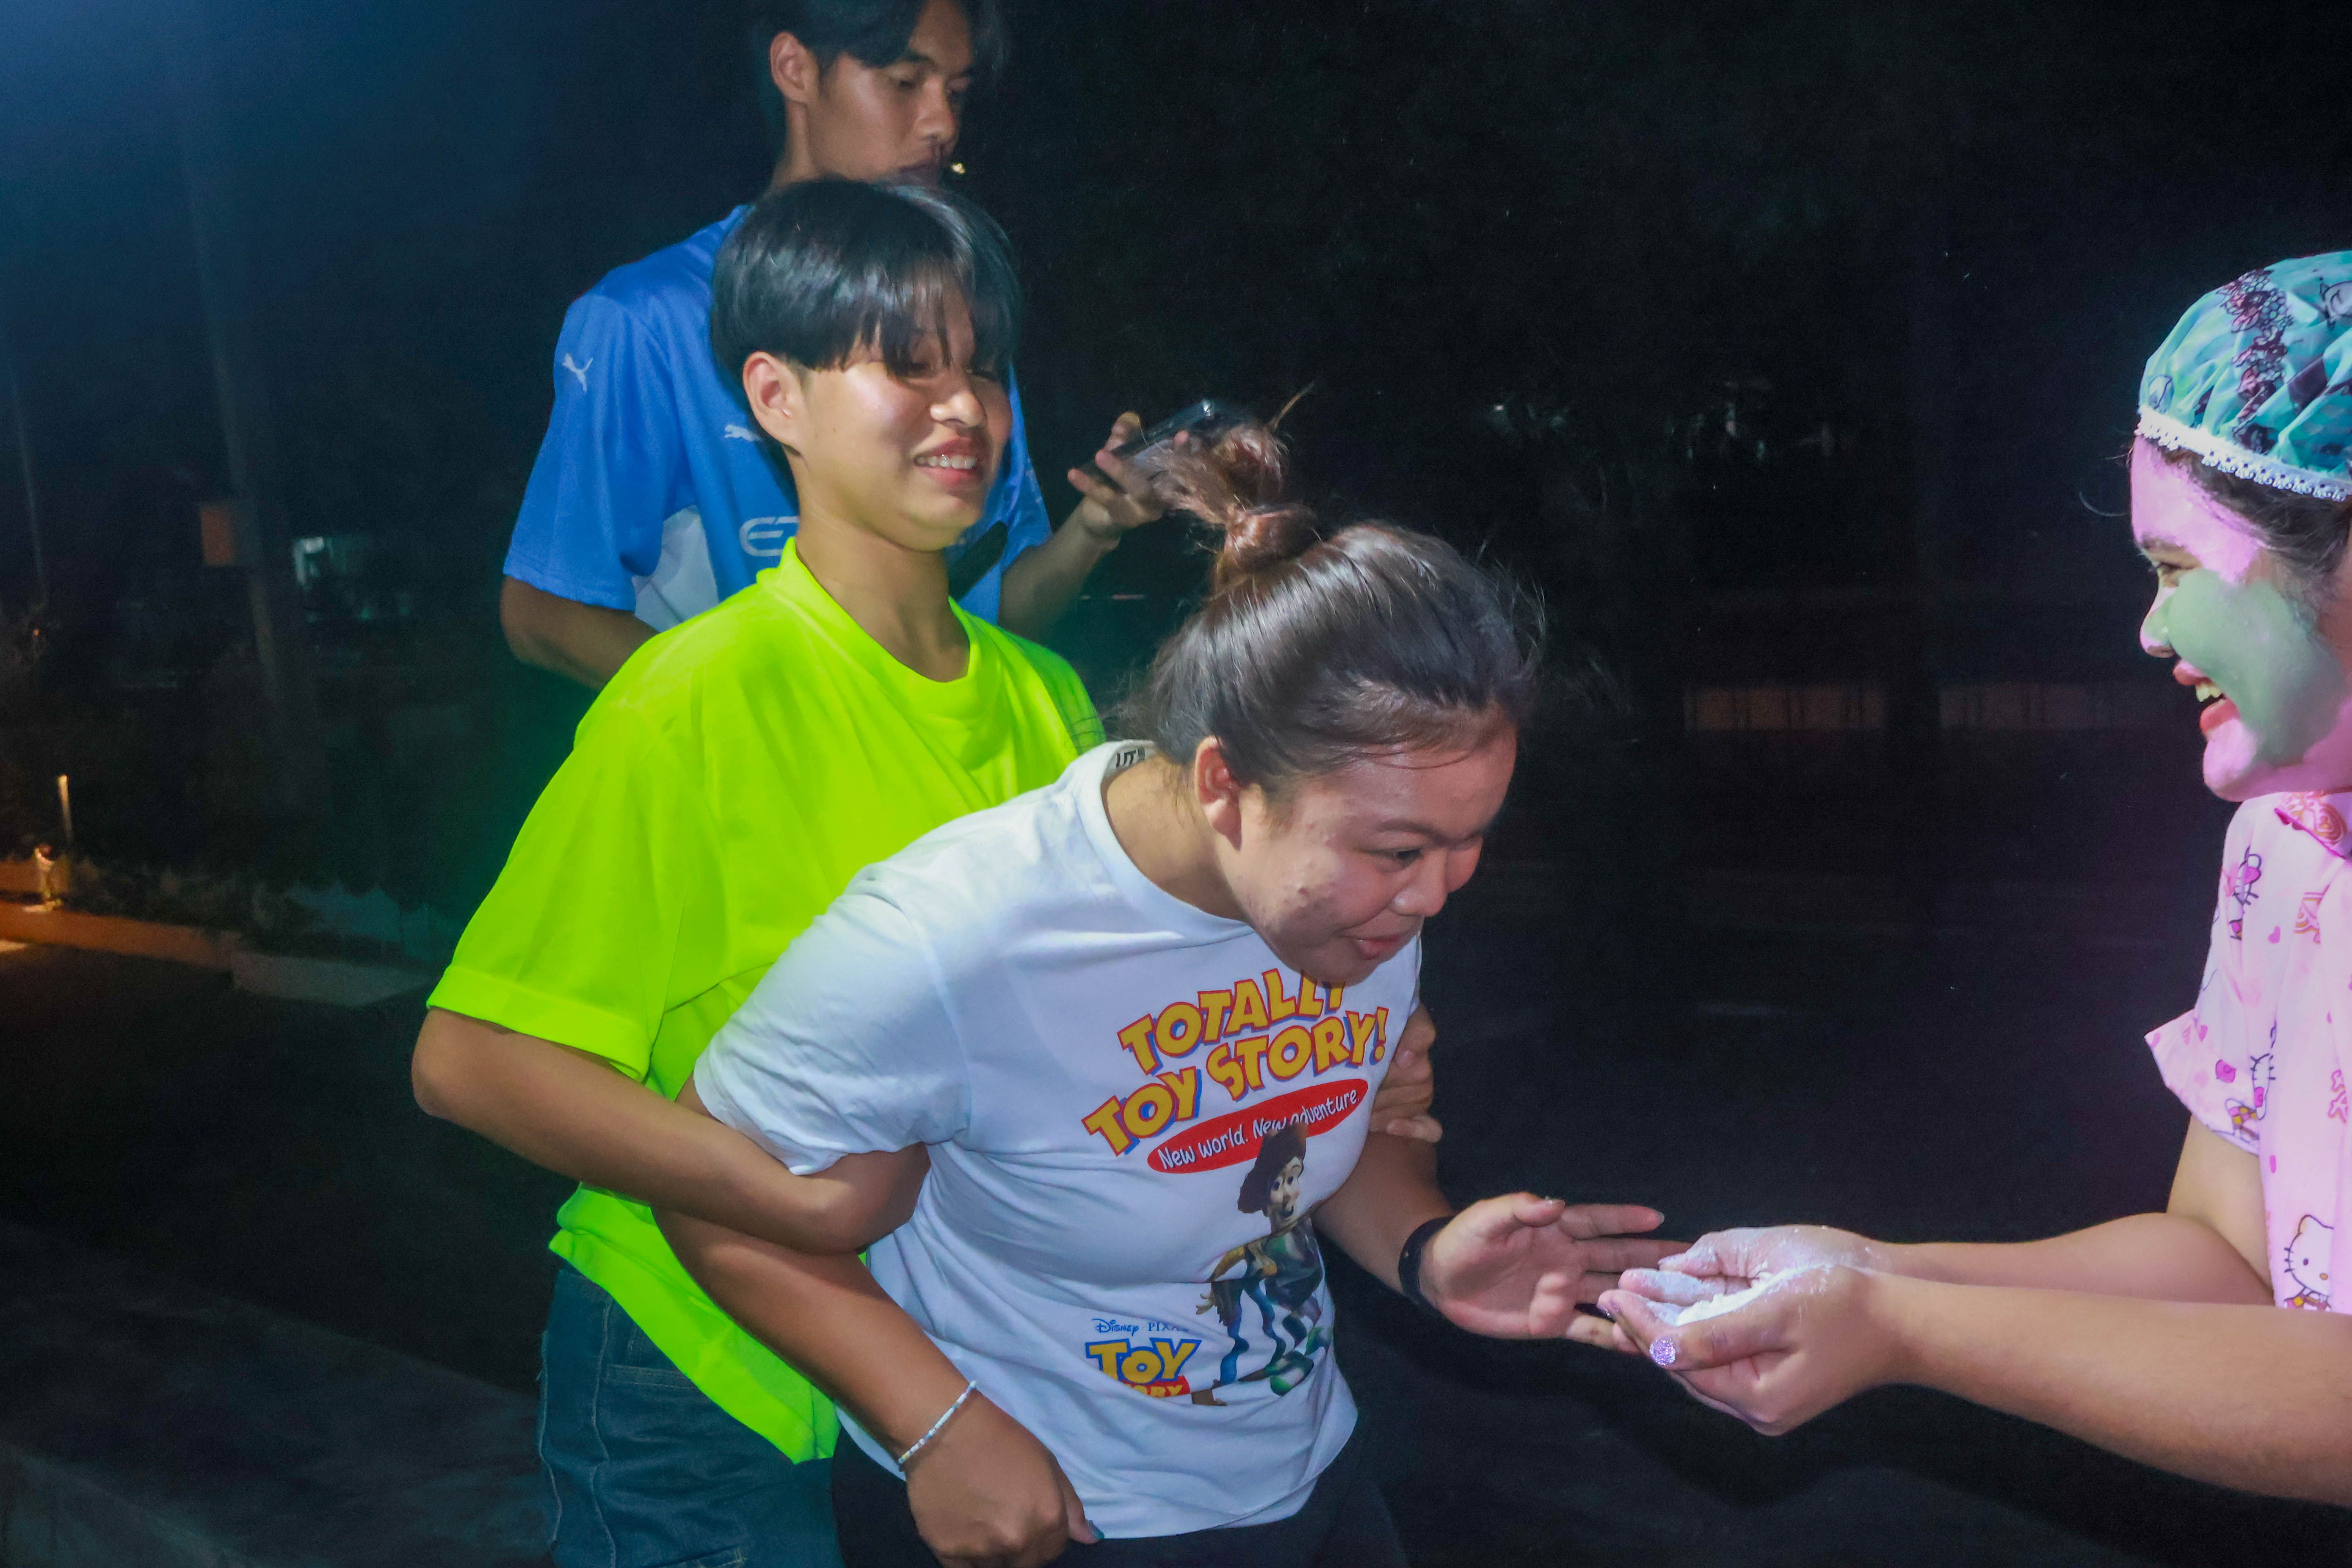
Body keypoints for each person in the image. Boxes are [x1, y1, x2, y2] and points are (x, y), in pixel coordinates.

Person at [415, 179, 1437, 1568]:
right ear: (775, 397)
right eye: (907, 365)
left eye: (983, 368)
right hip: (699, 1371)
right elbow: (473, 1060)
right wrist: (794, 1199)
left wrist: (1337, 1065)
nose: (964, 409)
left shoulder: (1040, 697)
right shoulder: (699, 699)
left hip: (934, 1365)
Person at [659, 422, 1678, 1566]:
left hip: (1312, 1473)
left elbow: (1318, 1124)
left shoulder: (1356, 899)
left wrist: (1424, 1250)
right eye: (1401, 850)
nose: (1438, 894)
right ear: (1224, 784)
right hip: (1070, 1520)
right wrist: (933, 1423)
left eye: (1471, 839)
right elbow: (709, 1197)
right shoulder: (952, 935)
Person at [1599, 252, 2352, 1506]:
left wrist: (1908, 1331)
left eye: (2176, 568)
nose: (2151, 631)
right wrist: (1875, 1275)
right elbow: (2231, 1262)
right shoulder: (2286, 847)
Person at [499, 0, 1165, 688]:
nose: (943, 124)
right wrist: (771, 721)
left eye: (958, 94)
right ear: (795, 69)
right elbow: (543, 614)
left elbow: (992, 626)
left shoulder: (959, 319)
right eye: (905, 82)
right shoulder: (650, 319)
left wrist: (1094, 528)